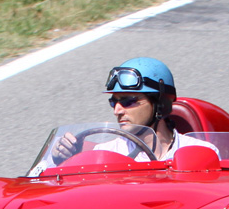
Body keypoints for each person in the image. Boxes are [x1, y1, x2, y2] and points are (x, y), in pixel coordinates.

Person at [49, 57, 216, 164]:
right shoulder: (104, 155)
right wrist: (63, 160)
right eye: (113, 102)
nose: (117, 111)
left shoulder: (202, 153)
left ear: (160, 103)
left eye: (128, 101)